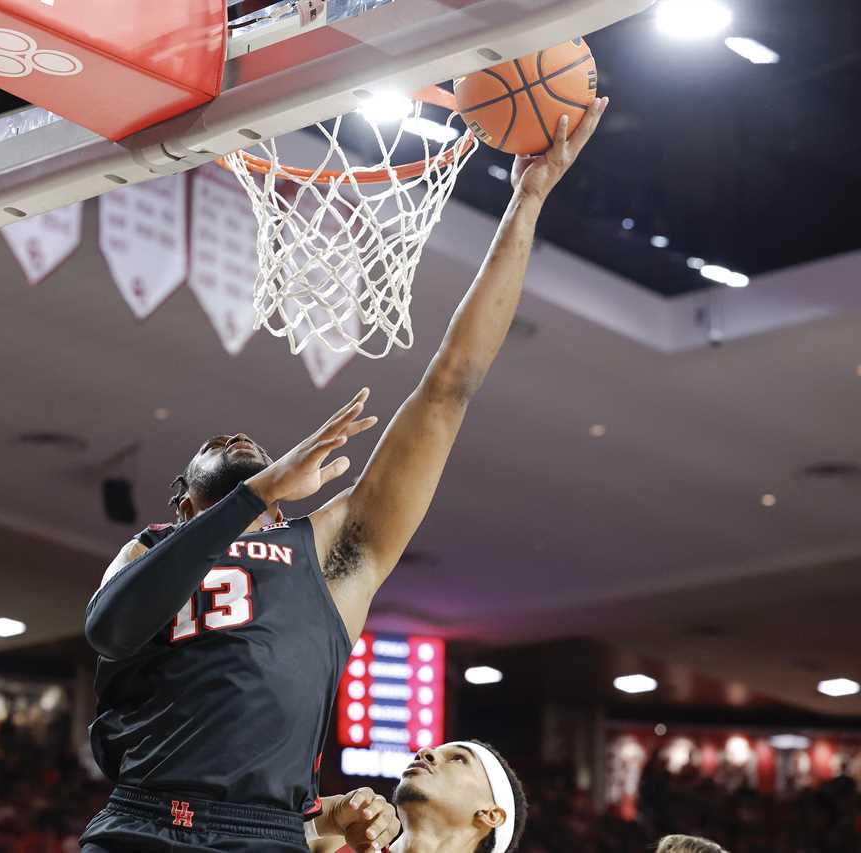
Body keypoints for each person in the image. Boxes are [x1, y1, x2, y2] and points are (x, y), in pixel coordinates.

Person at [82, 100, 610, 853]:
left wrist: (525, 203)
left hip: (264, 833)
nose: (237, 438)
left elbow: (449, 384)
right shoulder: (153, 547)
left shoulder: (330, 551)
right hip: (140, 822)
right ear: (182, 496)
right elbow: (109, 627)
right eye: (217, 447)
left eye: (253, 448)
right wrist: (256, 494)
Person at [312, 742, 525, 853]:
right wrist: (323, 821)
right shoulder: (333, 840)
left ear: (492, 815)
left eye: (458, 759)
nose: (424, 752)